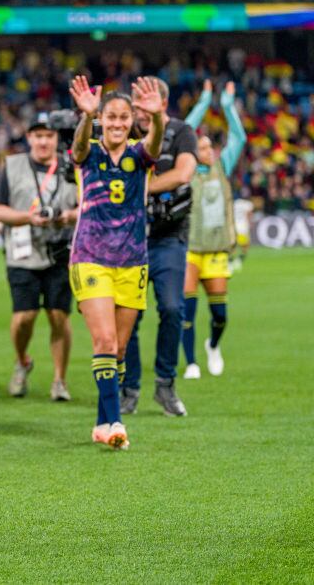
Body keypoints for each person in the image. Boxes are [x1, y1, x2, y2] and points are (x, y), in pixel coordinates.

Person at [67, 75, 166, 450]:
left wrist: (156, 119)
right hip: (90, 258)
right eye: (111, 117)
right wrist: (85, 118)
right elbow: (76, 150)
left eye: (125, 117)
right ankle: (114, 422)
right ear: (102, 119)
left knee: (119, 350)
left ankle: (100, 421)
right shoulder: (88, 152)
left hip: (132, 260)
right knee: (104, 340)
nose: (118, 123)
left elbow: (154, 145)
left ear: (131, 121)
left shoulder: (139, 156)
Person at [121, 77, 198, 417]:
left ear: (162, 103)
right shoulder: (122, 131)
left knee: (171, 308)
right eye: (134, 104)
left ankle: (165, 384)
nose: (136, 111)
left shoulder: (182, 132)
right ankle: (130, 388)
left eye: (143, 104)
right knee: (129, 317)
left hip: (168, 237)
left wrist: (140, 187)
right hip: (128, 238)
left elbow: (184, 173)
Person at [0, 112, 79, 401]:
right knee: (24, 317)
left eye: (49, 136)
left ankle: (59, 380)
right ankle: (22, 360)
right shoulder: (12, 165)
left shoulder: (71, 167)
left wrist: (67, 217)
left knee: (58, 315)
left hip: (61, 250)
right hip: (23, 251)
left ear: (56, 139)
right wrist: (26, 218)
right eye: (38, 135)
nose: (43, 141)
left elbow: (86, 206)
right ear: (29, 138)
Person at [181, 82, 247, 378]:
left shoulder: (224, 166)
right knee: (187, 310)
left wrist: (228, 103)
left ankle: (213, 345)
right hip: (190, 249)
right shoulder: (187, 171)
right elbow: (184, 129)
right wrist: (205, 100)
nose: (208, 151)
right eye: (201, 147)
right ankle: (192, 362)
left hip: (217, 250)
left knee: (220, 314)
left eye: (210, 147)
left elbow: (240, 137)